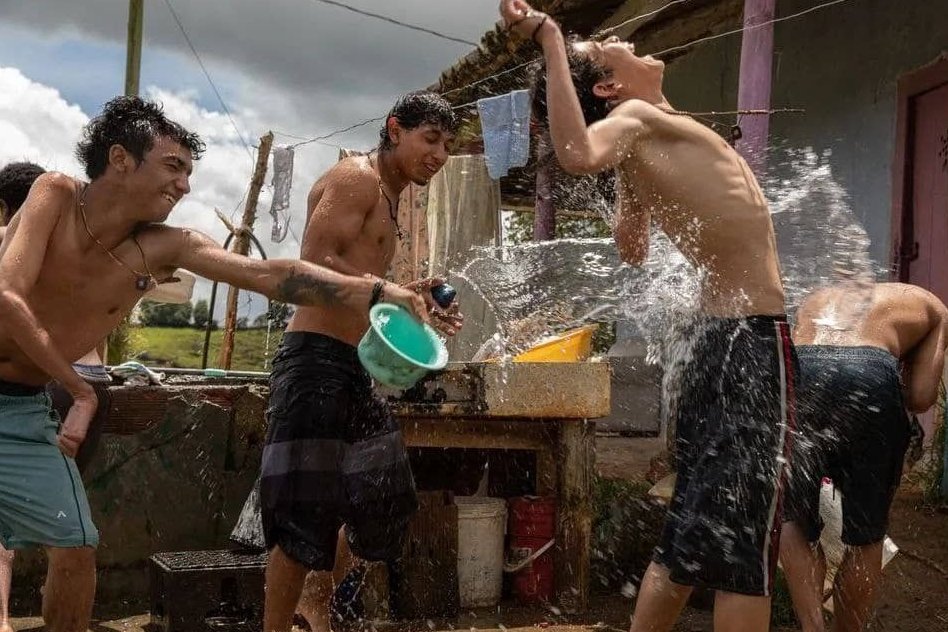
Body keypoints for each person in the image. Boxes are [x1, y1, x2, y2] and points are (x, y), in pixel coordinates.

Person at [0, 95, 428, 632]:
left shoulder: (164, 247)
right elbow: (9, 296)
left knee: (76, 545)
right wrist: (81, 392)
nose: (185, 186)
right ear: (120, 159)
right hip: (46, 398)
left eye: (189, 174)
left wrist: (377, 290)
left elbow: (272, 276)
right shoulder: (56, 194)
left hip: (21, 410)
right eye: (173, 167)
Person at [499, 2, 795, 630]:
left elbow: (633, 249)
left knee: (693, 527)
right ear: (607, 86)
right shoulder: (634, 116)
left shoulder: (644, 132)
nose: (613, 36)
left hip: (718, 340)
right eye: (600, 48)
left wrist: (633, 190)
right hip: (749, 341)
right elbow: (577, 152)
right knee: (745, 541)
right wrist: (552, 38)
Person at [261, 90, 462, 632]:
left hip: (356, 366)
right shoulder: (357, 179)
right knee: (303, 520)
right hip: (313, 362)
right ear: (395, 129)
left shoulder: (394, 198)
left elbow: (358, 278)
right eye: (431, 139)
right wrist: (386, 289)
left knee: (385, 500)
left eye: (448, 144)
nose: (440, 155)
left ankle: (314, 600)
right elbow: (311, 262)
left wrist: (408, 293)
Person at [781, 282, 948, 632]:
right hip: (869, 375)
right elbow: (920, 397)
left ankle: (812, 627)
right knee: (865, 536)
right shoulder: (935, 309)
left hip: (804, 369)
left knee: (794, 520)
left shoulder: (822, 294)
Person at [0, 160, 47, 632]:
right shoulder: (64, 247)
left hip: (19, 393)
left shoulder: (9, 247)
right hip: (71, 387)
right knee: (71, 534)